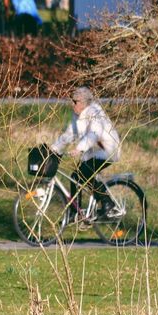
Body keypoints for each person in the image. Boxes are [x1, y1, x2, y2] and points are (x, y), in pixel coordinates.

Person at [51, 86, 121, 221]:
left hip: (107, 149)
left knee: (84, 173)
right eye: (72, 101)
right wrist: (53, 149)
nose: (72, 104)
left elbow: (94, 133)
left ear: (83, 103)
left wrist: (80, 148)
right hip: (94, 151)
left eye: (75, 101)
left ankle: (108, 204)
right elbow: (69, 134)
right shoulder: (78, 115)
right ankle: (74, 213)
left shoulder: (95, 112)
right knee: (75, 177)